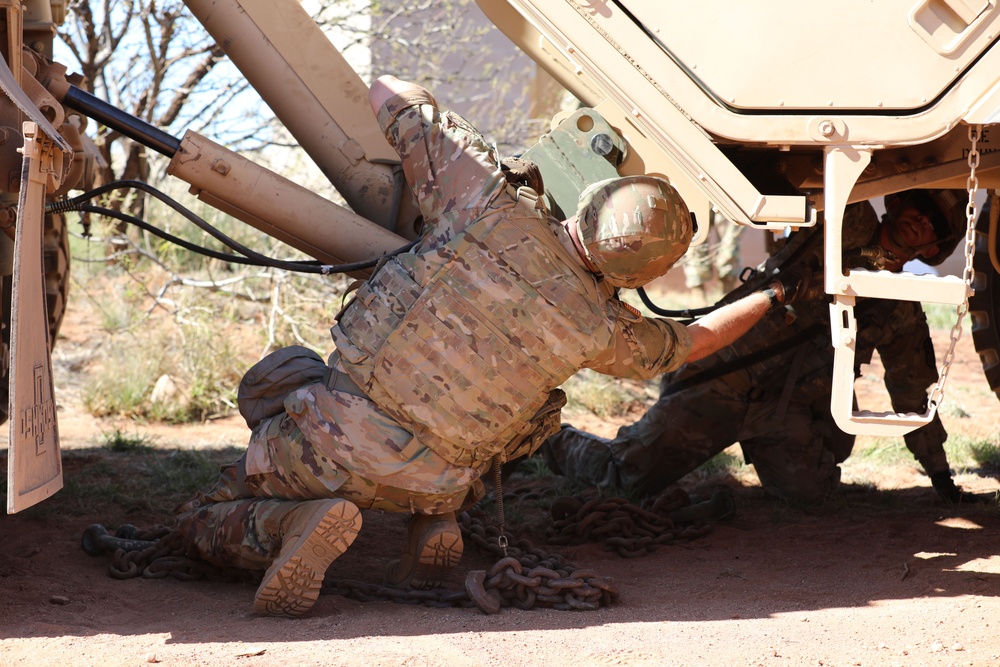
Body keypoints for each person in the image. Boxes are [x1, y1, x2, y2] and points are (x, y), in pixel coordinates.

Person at [171, 74, 810, 617]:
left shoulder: (482, 203)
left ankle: (290, 524)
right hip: (443, 479)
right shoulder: (599, 327)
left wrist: (453, 135)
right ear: (640, 273)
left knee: (207, 504)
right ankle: (433, 523)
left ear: (592, 205)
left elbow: (393, 93)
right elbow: (693, 342)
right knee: (522, 419)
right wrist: (773, 294)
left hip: (332, 444)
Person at [543, 190, 977, 505]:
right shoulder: (845, 215)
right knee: (624, 480)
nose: (922, 219)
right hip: (722, 376)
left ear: (936, 247)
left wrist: (942, 479)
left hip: (785, 411)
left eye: (935, 224)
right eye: (920, 205)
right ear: (898, 203)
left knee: (813, 497)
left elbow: (912, 392)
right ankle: (545, 439)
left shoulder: (900, 307)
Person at [684, 209, 743, 305]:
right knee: (695, 238)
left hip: (730, 196)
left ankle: (728, 295)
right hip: (700, 195)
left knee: (730, 245)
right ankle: (698, 294)